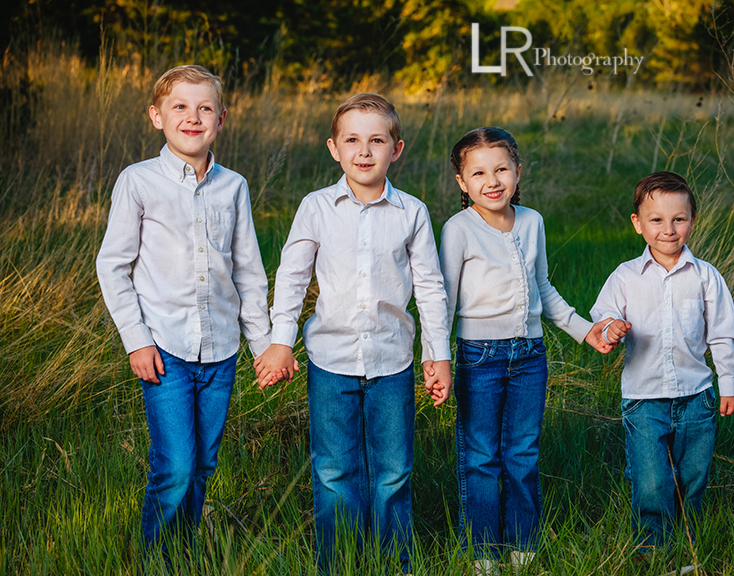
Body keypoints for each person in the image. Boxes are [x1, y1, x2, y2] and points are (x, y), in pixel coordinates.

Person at [253, 93, 451, 575]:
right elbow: (292, 277)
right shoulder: (317, 207)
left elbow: (430, 288)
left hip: (392, 360)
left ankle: (394, 562)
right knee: (334, 470)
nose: (364, 151)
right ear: (334, 148)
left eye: (377, 141)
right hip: (330, 359)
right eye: (352, 140)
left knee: (393, 471)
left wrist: (438, 354)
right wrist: (281, 341)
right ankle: (338, 561)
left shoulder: (412, 212)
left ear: (396, 149)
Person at [424, 127, 624, 575]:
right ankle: (482, 554)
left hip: (530, 356)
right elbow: (442, 301)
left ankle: (523, 548)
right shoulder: (458, 230)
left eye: (501, 169)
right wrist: (437, 358)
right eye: (478, 173)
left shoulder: (532, 221)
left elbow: (542, 287)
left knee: (523, 453)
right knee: (481, 457)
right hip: (478, 357)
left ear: (518, 172)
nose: (492, 181)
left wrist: (584, 330)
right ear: (461, 182)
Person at [95, 65, 272, 565]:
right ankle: (159, 561)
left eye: (204, 108)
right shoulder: (138, 181)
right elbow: (112, 265)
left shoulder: (233, 186)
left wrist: (263, 346)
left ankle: (184, 553)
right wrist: (136, 339)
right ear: (157, 116)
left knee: (202, 465)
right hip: (164, 348)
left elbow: (248, 271)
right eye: (179, 107)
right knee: (174, 466)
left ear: (221, 119)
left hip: (221, 351)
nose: (192, 117)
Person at [590, 171, 734, 551]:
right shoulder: (625, 276)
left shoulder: (705, 276)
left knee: (692, 476)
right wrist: (611, 328)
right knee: (652, 479)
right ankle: (651, 548)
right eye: (657, 219)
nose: (669, 230)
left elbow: (723, 334)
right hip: (644, 398)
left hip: (697, 396)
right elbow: (602, 314)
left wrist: (730, 384)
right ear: (638, 223)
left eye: (678, 219)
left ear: (692, 220)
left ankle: (690, 539)